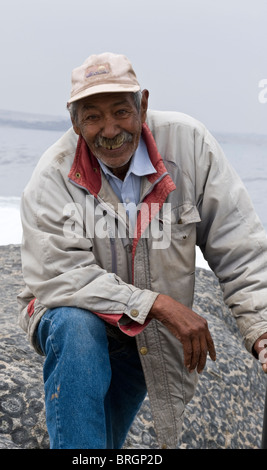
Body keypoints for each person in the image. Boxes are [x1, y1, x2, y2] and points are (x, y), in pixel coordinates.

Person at [17, 52, 267, 449]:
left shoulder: (189, 144)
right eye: (93, 117)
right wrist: (158, 304)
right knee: (75, 325)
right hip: (79, 316)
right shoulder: (53, 174)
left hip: (143, 332)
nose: (110, 129)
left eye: (120, 112)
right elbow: (61, 274)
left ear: (143, 105)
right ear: (74, 120)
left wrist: (261, 329)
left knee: (104, 444)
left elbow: (238, 244)